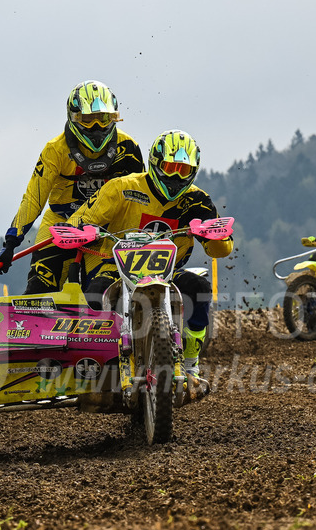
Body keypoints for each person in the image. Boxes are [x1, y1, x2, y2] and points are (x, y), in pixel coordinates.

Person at [65, 130, 232, 378]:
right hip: (116, 268)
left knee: (200, 288)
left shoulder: (198, 201)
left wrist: (212, 236)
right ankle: (95, 362)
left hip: (167, 272)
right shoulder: (122, 187)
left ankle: (191, 360)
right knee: (94, 294)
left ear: (193, 172)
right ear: (155, 162)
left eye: (184, 170)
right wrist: (82, 230)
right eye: (171, 167)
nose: (176, 176)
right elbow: (81, 218)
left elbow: (222, 249)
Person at [0, 80, 145, 293]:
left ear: (114, 117)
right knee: (38, 287)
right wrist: (11, 242)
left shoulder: (128, 148)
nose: (97, 127)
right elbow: (34, 198)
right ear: (73, 117)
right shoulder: (55, 149)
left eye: (103, 119)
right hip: (60, 224)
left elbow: (142, 197)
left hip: (106, 230)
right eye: (88, 119)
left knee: (103, 291)